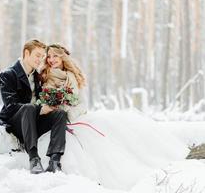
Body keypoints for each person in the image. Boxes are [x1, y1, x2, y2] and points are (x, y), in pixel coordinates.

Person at [37, 43, 188, 188]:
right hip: (53, 118)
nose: (51, 59)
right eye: (49, 56)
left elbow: (82, 104)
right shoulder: (44, 76)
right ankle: (59, 167)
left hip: (74, 117)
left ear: (63, 58)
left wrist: (69, 112)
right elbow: (41, 101)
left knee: (103, 134)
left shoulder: (72, 76)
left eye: (55, 56)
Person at [0, 40, 67, 174]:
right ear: (26, 53)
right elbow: (11, 106)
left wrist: (49, 105)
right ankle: (34, 159)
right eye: (37, 55)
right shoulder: (7, 74)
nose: (40, 59)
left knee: (60, 114)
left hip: (34, 123)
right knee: (29, 108)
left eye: (42, 56)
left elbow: (41, 99)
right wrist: (39, 109)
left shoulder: (37, 76)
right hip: (16, 125)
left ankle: (55, 161)